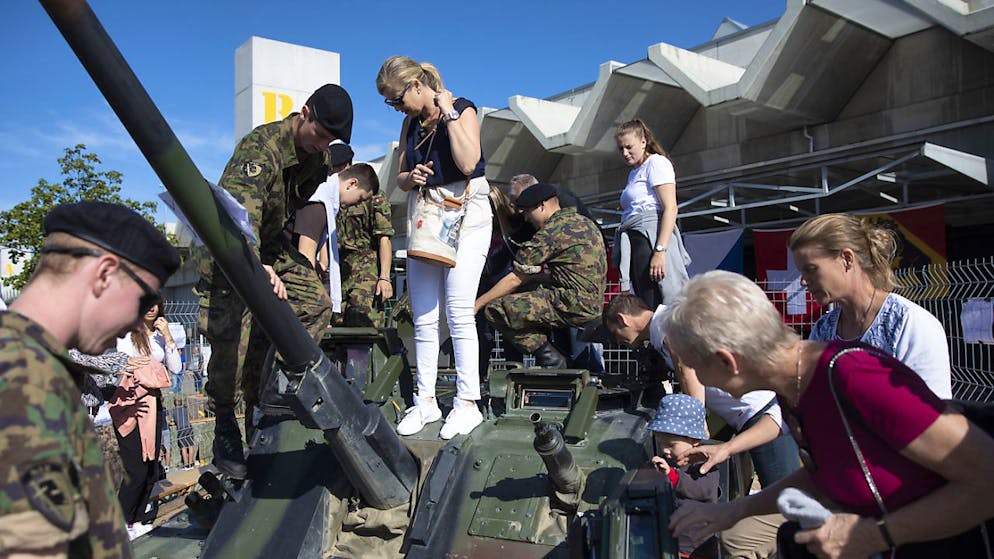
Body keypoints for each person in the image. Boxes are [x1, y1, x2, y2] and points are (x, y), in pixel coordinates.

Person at [664, 271, 994, 558]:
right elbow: (828, 473)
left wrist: (874, 535)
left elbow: (986, 477)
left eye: (694, 365)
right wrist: (732, 510)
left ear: (727, 361)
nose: (697, 378)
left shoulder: (855, 377)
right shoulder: (793, 389)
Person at [0, 200, 179, 557]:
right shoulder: (26, 387)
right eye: (139, 300)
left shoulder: (44, 370)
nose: (134, 323)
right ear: (102, 276)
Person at [196, 83, 352, 478]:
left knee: (316, 303)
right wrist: (257, 267)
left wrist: (293, 256)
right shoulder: (260, 148)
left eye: (330, 141)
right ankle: (227, 428)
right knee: (235, 347)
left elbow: (294, 207)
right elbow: (236, 219)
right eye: (319, 134)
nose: (322, 145)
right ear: (304, 113)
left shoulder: (316, 159)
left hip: (269, 249)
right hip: (232, 253)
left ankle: (273, 394)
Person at [377, 55, 492, 439]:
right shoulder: (409, 122)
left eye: (396, 99)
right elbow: (401, 180)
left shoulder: (462, 108)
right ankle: (425, 401)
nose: (395, 107)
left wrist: (450, 115)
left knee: (459, 310)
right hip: (427, 218)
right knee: (424, 315)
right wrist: (413, 175)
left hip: (467, 216)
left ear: (416, 86)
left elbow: (468, 161)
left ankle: (467, 403)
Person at [790, 213, 952, 399]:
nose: (803, 282)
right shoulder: (822, 329)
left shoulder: (910, 323)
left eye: (811, 269)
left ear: (847, 259)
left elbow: (933, 415)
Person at [476, 183, 607, 369]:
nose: (527, 219)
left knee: (496, 308)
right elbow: (575, 273)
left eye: (528, 212)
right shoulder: (584, 223)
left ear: (542, 206)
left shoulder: (551, 232)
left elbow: (515, 278)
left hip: (571, 304)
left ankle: (552, 360)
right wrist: (537, 278)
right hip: (593, 304)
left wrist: (478, 304)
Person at [113, 301, 179, 539]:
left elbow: (176, 368)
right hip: (130, 404)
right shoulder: (127, 333)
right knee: (136, 468)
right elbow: (118, 363)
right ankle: (121, 522)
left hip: (154, 403)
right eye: (146, 304)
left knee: (151, 467)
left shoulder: (160, 336)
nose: (151, 308)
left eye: (155, 304)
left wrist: (168, 337)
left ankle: (137, 519)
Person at [614, 119, 691, 309]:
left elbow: (671, 208)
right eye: (621, 148)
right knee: (647, 302)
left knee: (666, 301)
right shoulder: (633, 173)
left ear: (643, 142)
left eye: (629, 147)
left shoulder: (656, 163)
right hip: (636, 241)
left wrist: (660, 251)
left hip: (652, 239)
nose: (625, 153)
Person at [295, 162, 380, 316]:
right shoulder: (319, 203)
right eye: (360, 198)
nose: (356, 204)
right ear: (352, 184)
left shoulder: (323, 198)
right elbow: (305, 256)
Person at [331, 144, 395, 327]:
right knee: (338, 322)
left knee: (363, 322)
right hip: (341, 269)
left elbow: (384, 238)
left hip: (367, 270)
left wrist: (384, 277)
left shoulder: (372, 196)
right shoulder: (331, 197)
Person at [649, 393, 720, 556]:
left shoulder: (706, 464)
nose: (665, 450)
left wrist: (672, 476)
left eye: (671, 445)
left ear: (694, 440)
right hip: (673, 537)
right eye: (661, 444)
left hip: (697, 544)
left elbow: (702, 490)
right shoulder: (674, 462)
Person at [172, 395, 196, 470]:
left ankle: (186, 465)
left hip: (181, 429)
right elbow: (190, 417)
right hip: (188, 428)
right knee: (191, 445)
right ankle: (191, 463)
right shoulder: (185, 409)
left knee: (183, 447)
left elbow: (172, 420)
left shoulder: (173, 411)